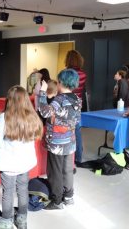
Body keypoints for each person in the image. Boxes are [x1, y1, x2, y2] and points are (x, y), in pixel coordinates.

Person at [0, 86, 43, 229]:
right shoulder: (32, 117)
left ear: (9, 101)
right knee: (23, 190)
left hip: (8, 164)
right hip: (25, 163)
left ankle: (6, 221)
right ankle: (22, 220)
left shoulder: (4, 118)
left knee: (8, 192)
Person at [38, 69, 82, 210]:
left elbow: (44, 112)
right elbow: (77, 120)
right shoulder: (77, 99)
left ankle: (56, 201)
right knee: (67, 169)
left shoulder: (59, 99)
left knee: (55, 171)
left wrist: (42, 92)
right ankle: (68, 196)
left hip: (57, 142)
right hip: (70, 140)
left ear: (61, 82)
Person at [65, 50, 87, 165]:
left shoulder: (65, 73)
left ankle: (68, 157)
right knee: (77, 131)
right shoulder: (83, 74)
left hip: (67, 103)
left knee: (65, 131)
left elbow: (63, 89)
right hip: (78, 104)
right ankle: (78, 158)